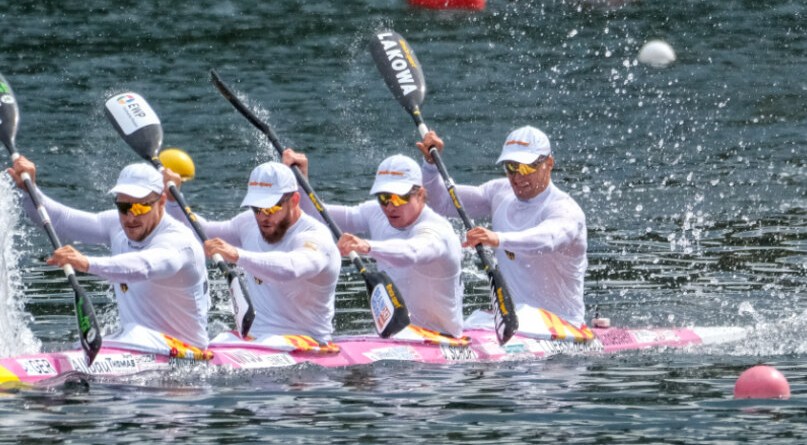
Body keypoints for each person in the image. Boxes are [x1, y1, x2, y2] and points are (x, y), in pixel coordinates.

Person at [8, 157, 210, 350]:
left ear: (162, 202)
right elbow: (61, 220)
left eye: (140, 207)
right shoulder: (116, 225)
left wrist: (86, 263)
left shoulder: (179, 243)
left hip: (185, 355)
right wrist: (30, 190)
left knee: (132, 335)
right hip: (135, 345)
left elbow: (144, 267)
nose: (130, 217)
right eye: (124, 207)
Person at [282, 150, 464, 338]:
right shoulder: (375, 213)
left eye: (399, 197)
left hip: (442, 338)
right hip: (398, 336)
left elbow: (410, 253)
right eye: (384, 198)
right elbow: (318, 215)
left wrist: (367, 247)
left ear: (420, 194)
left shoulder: (436, 230)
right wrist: (300, 179)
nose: (390, 206)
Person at [417, 126, 587, 325]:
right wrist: (430, 165)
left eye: (526, 168)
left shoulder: (564, 210)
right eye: (511, 168)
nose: (517, 177)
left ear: (548, 164)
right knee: (466, 321)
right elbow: (441, 202)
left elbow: (547, 239)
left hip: (562, 324)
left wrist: (497, 238)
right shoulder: (500, 192)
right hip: (512, 320)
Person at [164, 162, 341, 343]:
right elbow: (201, 232)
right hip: (254, 339)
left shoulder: (314, 237)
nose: (263, 217)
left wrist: (237, 255)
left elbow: (291, 268)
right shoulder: (248, 223)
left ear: (294, 200)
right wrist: (173, 202)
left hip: (307, 342)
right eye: (257, 208)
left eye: (271, 208)